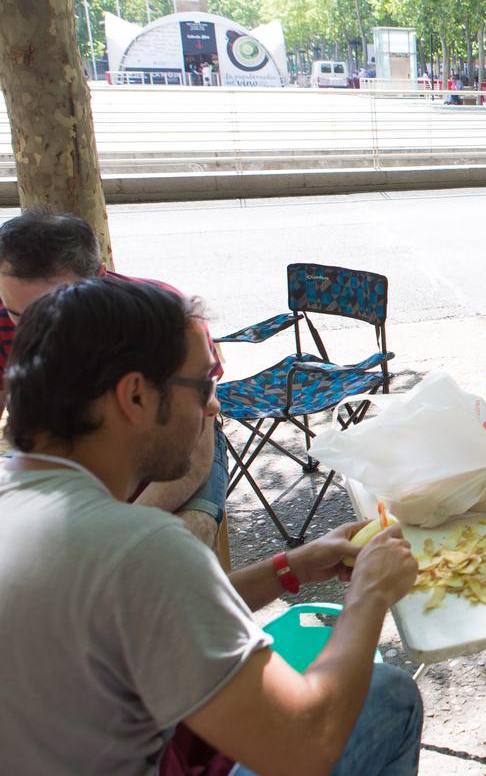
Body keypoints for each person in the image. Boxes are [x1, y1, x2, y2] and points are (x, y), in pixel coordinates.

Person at [0, 278, 422, 775]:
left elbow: (154, 615)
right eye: (203, 385)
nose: (214, 406)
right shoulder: (138, 547)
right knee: (391, 696)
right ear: (135, 396)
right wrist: (369, 595)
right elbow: (304, 746)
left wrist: (289, 568)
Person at [0, 210, 226, 546]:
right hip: (67, 461)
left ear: (100, 278)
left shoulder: (166, 320)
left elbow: (196, 448)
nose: (36, 331)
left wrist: (116, 530)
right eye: (18, 315)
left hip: (174, 449)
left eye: (58, 310)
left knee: (170, 546)